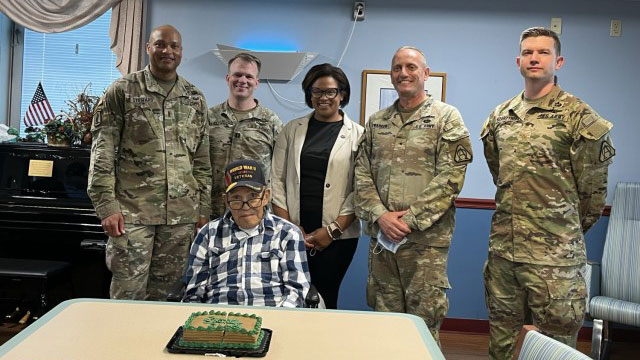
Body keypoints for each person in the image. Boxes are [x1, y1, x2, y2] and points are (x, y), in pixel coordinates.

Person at [481, 27, 615, 360]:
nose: (534, 58)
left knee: (553, 349)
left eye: (543, 52)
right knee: (501, 345)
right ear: (518, 61)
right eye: (528, 52)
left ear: (559, 61)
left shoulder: (579, 117)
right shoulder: (501, 116)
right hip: (504, 255)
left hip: (554, 262)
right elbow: (501, 175)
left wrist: (559, 233)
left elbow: (592, 195)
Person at [354, 46, 472, 345]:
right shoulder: (377, 121)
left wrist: (409, 220)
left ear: (425, 74)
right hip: (382, 241)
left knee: (423, 323)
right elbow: (361, 173)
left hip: (425, 243)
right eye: (397, 68)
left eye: (411, 67)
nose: (403, 73)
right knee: (384, 320)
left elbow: (451, 177)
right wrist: (381, 216)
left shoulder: (447, 117)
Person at [88, 25, 211, 301]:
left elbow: (202, 162)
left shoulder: (194, 98)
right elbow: (102, 152)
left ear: (181, 51)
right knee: (128, 295)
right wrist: (106, 206)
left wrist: (203, 211)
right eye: (160, 45)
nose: (167, 51)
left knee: (169, 298)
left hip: (180, 218)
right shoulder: (122, 91)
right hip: (132, 215)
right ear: (148, 48)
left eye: (174, 46)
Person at [271, 63, 363, 309]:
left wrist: (333, 230)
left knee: (326, 296)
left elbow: (361, 189)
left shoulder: (359, 135)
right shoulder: (292, 130)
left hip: (338, 237)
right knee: (289, 296)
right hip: (292, 232)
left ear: (342, 94)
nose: (323, 97)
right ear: (309, 95)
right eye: (317, 91)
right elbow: (276, 181)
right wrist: (291, 228)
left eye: (330, 91)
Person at [183, 159, 311, 307]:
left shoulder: (288, 233)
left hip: (273, 315)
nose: (246, 207)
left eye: (253, 197)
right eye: (236, 198)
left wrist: (278, 321)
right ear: (226, 200)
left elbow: (297, 291)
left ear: (266, 196)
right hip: (220, 317)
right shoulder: (208, 234)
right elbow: (193, 294)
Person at [209, 53, 283, 219]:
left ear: (256, 83)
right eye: (237, 75)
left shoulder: (271, 121)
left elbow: (281, 172)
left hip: (254, 213)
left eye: (249, 76)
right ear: (228, 78)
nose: (242, 80)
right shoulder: (208, 118)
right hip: (214, 212)